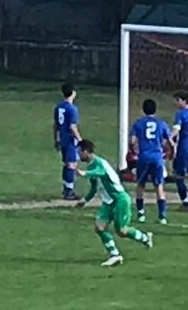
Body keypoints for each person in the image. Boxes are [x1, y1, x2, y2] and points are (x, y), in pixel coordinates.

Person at [77, 139, 153, 267]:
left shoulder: (99, 163)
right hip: (108, 202)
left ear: (86, 151)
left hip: (120, 199)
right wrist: (85, 200)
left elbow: (100, 172)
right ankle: (115, 255)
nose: (79, 155)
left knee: (122, 231)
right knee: (99, 228)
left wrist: (84, 173)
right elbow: (95, 187)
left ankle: (145, 237)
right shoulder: (92, 166)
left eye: (80, 152)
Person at [130, 98, 171, 224]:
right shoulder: (161, 124)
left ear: (143, 110)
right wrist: (169, 151)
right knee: (159, 186)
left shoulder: (138, 123)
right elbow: (168, 141)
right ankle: (162, 216)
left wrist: (133, 151)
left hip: (144, 156)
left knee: (140, 185)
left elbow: (132, 141)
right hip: (157, 157)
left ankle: (141, 213)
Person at [54, 83, 82, 200]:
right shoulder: (72, 109)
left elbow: (56, 125)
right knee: (72, 164)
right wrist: (80, 140)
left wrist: (56, 139)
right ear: (73, 93)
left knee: (67, 164)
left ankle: (66, 188)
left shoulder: (59, 107)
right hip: (70, 140)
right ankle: (69, 191)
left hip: (62, 139)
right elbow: (72, 127)